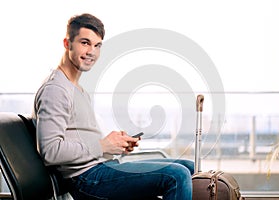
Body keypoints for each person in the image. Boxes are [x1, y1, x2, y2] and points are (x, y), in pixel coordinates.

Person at [32, 13, 194, 200]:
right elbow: (51, 152)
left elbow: (84, 141)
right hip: (86, 179)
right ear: (67, 43)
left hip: (100, 167)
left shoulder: (77, 89)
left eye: (97, 45)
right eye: (85, 43)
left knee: (188, 167)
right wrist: (102, 145)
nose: (92, 51)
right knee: (177, 175)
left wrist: (115, 146)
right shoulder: (56, 89)